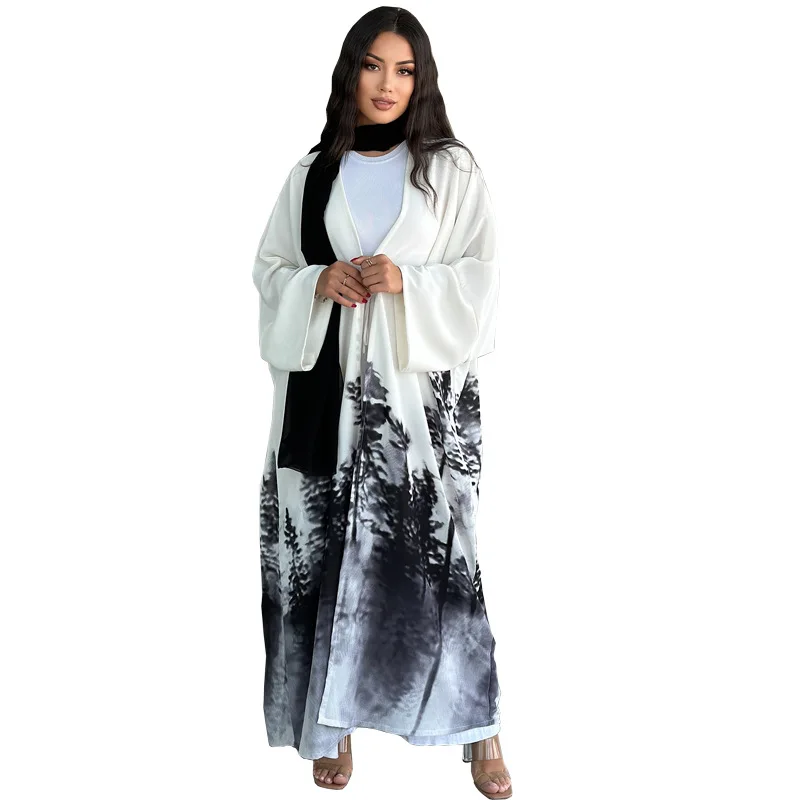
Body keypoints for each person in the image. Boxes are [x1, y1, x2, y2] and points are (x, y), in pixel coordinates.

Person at [252, 7, 511, 798]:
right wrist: (315, 282)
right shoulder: (312, 173)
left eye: (403, 70)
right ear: (350, 73)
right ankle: (329, 726)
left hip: (415, 413)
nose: (387, 84)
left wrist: (408, 281)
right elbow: (270, 270)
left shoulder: (449, 170)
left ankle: (480, 730)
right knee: (324, 556)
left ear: (421, 79)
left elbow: (481, 278)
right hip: (321, 403)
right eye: (372, 66)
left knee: (445, 563)